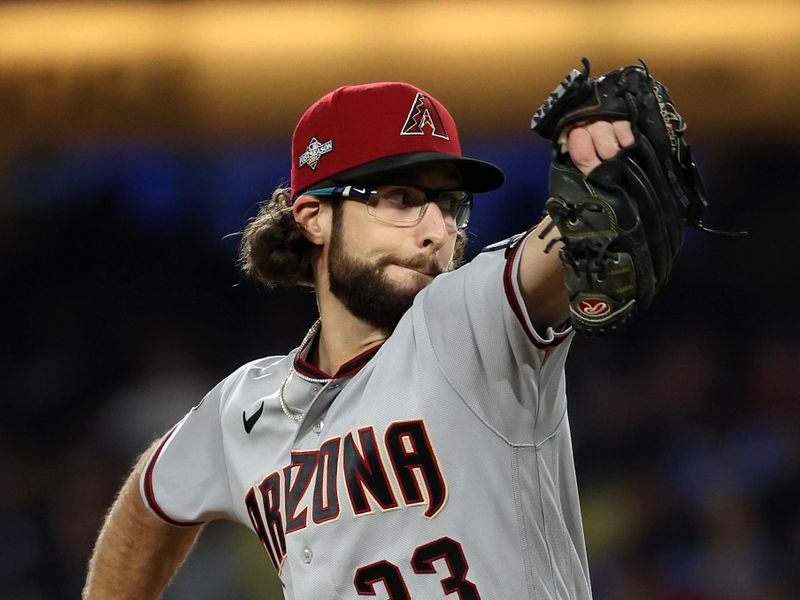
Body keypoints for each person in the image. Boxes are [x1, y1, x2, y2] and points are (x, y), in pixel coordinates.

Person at [83, 80, 634, 599]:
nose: (436, 230)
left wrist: (610, 185)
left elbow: (565, 243)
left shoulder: (469, 323)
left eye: (449, 205)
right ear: (314, 216)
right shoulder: (243, 408)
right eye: (400, 198)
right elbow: (149, 505)